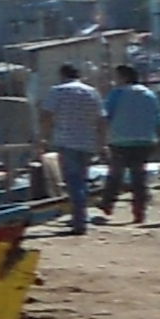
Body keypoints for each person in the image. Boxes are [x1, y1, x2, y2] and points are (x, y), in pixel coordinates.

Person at [41, 62, 108, 235]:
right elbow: (101, 119)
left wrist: (44, 137)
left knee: (73, 182)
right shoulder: (92, 92)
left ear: (62, 75)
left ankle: (79, 221)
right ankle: (80, 216)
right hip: (87, 142)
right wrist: (102, 143)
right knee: (82, 180)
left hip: (66, 141)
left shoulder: (57, 91)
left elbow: (47, 115)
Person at [103, 64, 160, 224]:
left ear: (123, 77)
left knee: (116, 174)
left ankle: (107, 204)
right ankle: (139, 212)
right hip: (145, 140)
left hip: (120, 140)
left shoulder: (117, 94)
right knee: (139, 177)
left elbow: (106, 115)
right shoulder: (150, 94)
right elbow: (158, 119)